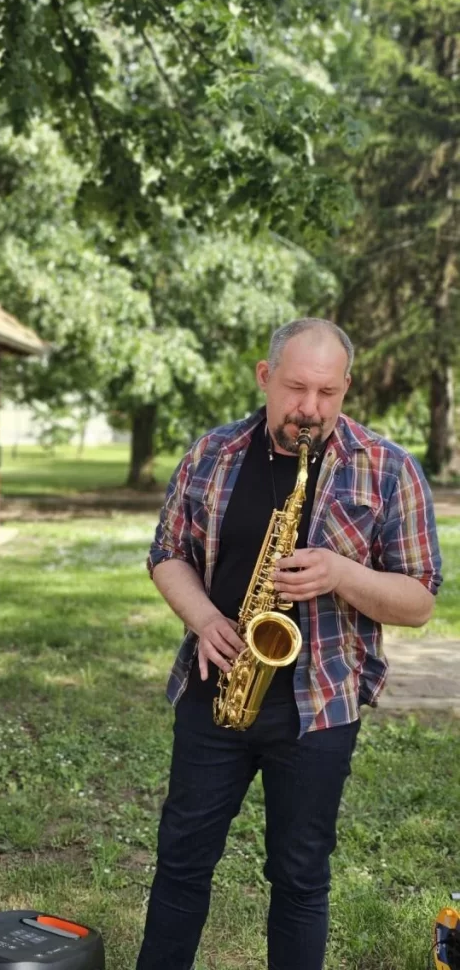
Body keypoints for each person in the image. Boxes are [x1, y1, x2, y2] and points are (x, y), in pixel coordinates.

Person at [136, 318, 442, 970]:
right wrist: (204, 620)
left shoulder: (389, 470)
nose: (310, 409)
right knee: (182, 863)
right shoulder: (211, 454)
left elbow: (419, 599)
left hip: (321, 705)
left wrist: (341, 574)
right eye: (297, 388)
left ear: (347, 387)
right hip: (216, 688)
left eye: (328, 393)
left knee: (301, 877)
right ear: (264, 377)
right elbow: (167, 554)